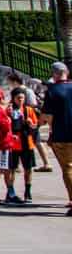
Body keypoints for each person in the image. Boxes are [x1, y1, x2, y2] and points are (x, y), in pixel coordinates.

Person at [39, 61, 72, 215]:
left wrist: (37, 124)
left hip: (62, 134)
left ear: (55, 74)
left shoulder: (53, 91)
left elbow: (46, 116)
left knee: (68, 168)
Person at [6, 72, 52, 172]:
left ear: (14, 81)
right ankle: (18, 165)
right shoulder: (17, 91)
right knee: (28, 141)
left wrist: (24, 111)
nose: (10, 85)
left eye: (10, 82)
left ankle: (46, 163)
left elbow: (33, 104)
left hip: (29, 120)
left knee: (37, 141)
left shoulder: (27, 91)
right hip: (20, 121)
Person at [8, 87, 38, 202]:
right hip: (15, 144)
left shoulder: (28, 110)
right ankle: (11, 191)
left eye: (22, 98)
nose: (21, 100)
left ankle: (28, 191)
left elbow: (35, 126)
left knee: (28, 169)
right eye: (18, 98)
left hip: (27, 142)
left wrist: (31, 124)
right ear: (13, 98)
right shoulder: (10, 110)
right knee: (12, 169)